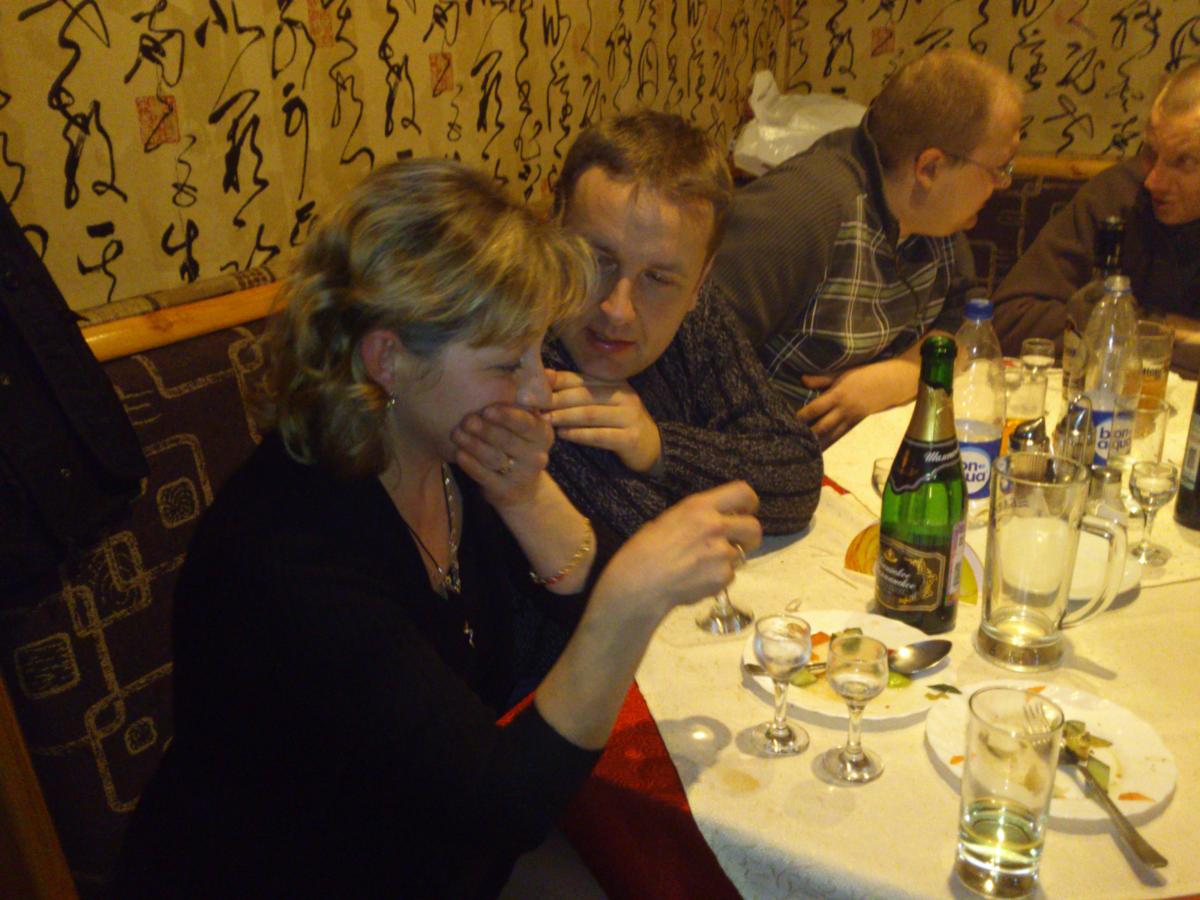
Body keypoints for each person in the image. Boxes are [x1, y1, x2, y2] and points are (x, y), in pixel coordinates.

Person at [114, 160, 761, 897]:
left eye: (535, 351)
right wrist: (631, 599)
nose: (536, 390)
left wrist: (529, 499)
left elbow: (574, 608)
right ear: (388, 358)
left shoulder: (446, 449)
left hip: (431, 851)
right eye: (507, 363)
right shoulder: (285, 552)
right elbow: (503, 804)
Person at [710, 49, 1023, 447]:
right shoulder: (804, 212)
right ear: (929, 168)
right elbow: (692, 358)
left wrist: (903, 374)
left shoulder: (935, 220)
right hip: (768, 455)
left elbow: (968, 321)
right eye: (998, 170)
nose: (1002, 185)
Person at [542, 110, 823, 539]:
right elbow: (644, 540)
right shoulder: (515, 358)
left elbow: (797, 474)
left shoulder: (697, 314)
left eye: (657, 279)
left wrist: (659, 448)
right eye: (597, 260)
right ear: (553, 230)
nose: (618, 310)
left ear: (699, 283)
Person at [991, 61, 1200, 372]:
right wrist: (1160, 328)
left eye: (1184, 162)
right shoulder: (1119, 197)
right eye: (1151, 152)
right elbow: (1011, 319)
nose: (1154, 181)